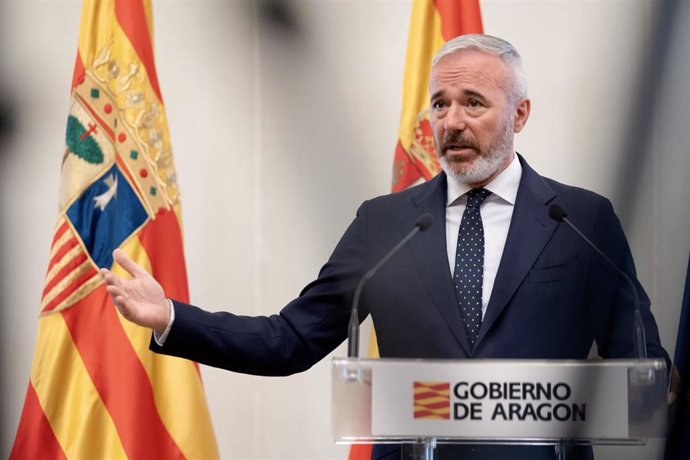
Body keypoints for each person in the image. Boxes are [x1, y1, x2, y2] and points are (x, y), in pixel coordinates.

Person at [101, 34, 669, 459]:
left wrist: (656, 381)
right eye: (440, 104)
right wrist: (171, 316)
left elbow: (641, 364)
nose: (452, 121)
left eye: (474, 102)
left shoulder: (580, 219)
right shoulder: (387, 224)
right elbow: (292, 339)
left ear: (520, 113)